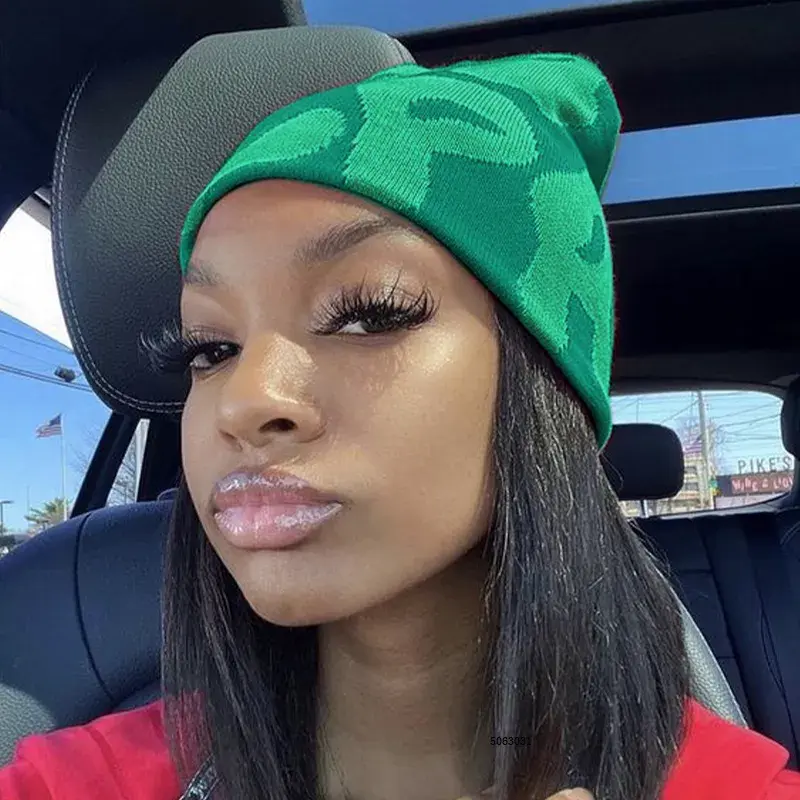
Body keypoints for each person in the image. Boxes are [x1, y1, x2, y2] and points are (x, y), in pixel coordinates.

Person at [1, 53, 798, 800]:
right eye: (210, 348)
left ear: (542, 386)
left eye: (367, 314)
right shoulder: (77, 779)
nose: (245, 401)